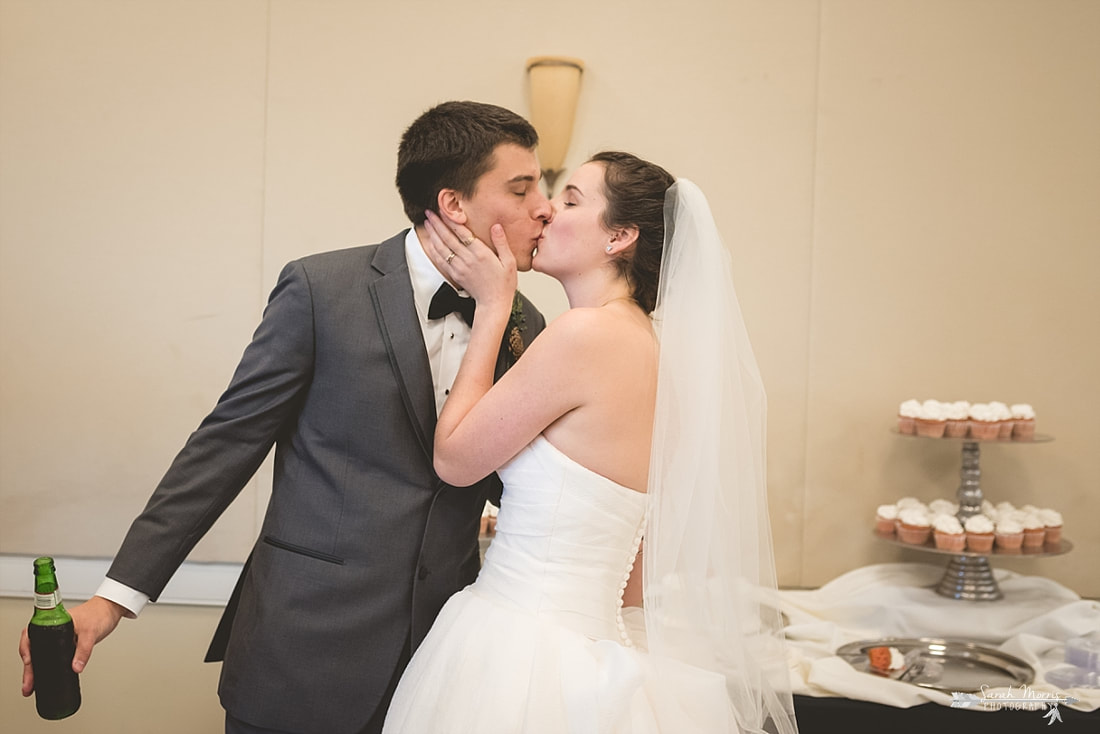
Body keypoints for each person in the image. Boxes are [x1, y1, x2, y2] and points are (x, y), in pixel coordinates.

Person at [18, 100, 552, 734]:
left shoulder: (523, 323)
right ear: (454, 204)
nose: (544, 206)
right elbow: (225, 444)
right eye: (522, 189)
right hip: (303, 649)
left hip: (442, 660)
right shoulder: (323, 289)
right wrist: (114, 598)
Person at [381, 152, 797, 733]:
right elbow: (637, 566)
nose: (547, 209)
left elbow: (453, 459)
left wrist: (494, 304)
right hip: (603, 645)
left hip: (522, 645)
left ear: (619, 237)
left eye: (572, 199)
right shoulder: (655, 353)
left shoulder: (584, 334)